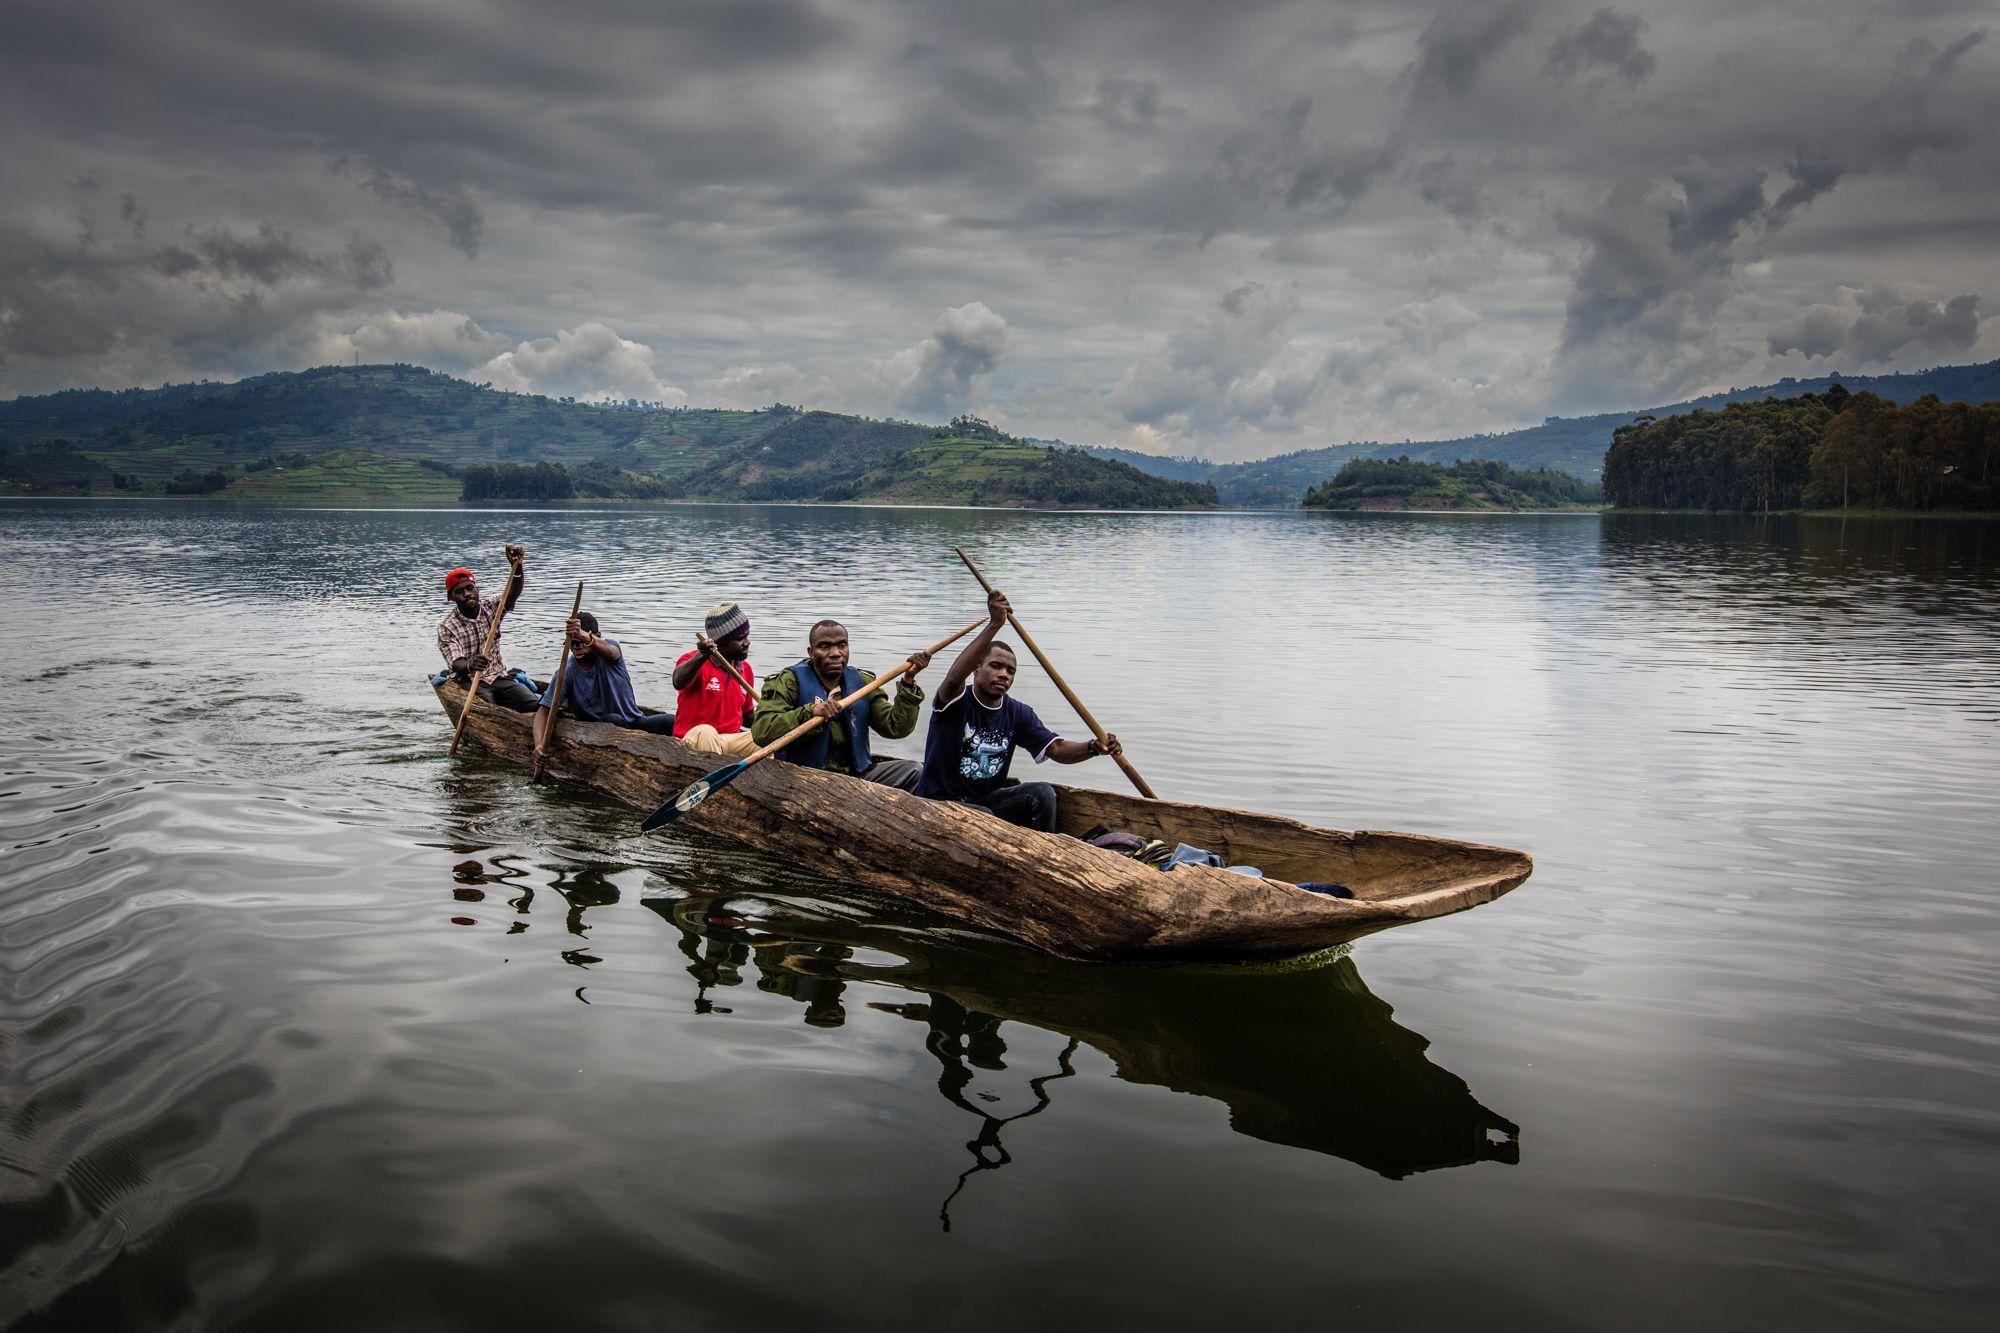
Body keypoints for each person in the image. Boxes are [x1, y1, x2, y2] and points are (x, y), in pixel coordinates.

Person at [916, 588, 1122, 832]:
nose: (1004, 674)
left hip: (985, 802)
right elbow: (952, 678)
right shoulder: (955, 700)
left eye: (1010, 671)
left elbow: (1056, 749)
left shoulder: (1017, 713)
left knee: (1042, 794)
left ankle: (1044, 853)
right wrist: (994, 625)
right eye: (996, 666)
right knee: (985, 817)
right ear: (976, 669)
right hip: (938, 804)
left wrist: (1093, 748)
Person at [750, 619, 933, 791]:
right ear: (811, 652)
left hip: (857, 777)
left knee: (916, 771)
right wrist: (810, 712)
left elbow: (895, 728)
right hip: (806, 780)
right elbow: (762, 732)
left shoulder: (862, 682)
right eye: (824, 646)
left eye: (842, 645)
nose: (836, 653)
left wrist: (908, 681)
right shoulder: (789, 682)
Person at [531, 611, 677, 751]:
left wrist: (582, 635)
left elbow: (610, 651)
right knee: (615, 721)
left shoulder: (611, 652)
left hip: (632, 722)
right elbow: (543, 713)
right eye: (573, 643)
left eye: (581, 642)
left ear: (598, 636)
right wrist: (539, 745)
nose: (577, 647)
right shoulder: (566, 672)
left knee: (671, 720)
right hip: (598, 730)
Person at [436, 544, 540, 711]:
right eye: (460, 591)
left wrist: (517, 566)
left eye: (470, 588)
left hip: (498, 676)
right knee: (489, 710)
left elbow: (513, 593)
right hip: (470, 680)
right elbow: (456, 663)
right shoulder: (447, 627)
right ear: (451, 597)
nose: (467, 594)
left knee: (535, 705)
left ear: (476, 589)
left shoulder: (492, 607)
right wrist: (470, 664)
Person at [672, 601, 758, 757]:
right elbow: (678, 682)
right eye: (740, 638)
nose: (747, 643)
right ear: (721, 642)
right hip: (695, 739)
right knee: (707, 732)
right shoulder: (692, 660)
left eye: (747, 636)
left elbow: (748, 717)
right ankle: (716, 776)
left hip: (729, 740)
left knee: (764, 739)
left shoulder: (746, 670)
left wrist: (780, 720)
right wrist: (703, 655)